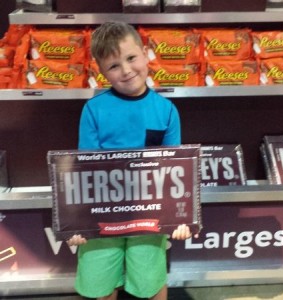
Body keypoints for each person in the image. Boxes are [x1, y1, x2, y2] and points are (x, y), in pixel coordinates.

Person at [67, 21, 198, 300]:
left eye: (131, 58)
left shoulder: (166, 110)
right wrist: (77, 222)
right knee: (98, 283)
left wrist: (180, 218)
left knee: (152, 281)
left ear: (145, 53)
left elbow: (174, 170)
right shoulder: (93, 109)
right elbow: (83, 170)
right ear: (101, 71)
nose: (126, 70)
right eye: (114, 66)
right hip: (101, 220)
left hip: (149, 217)